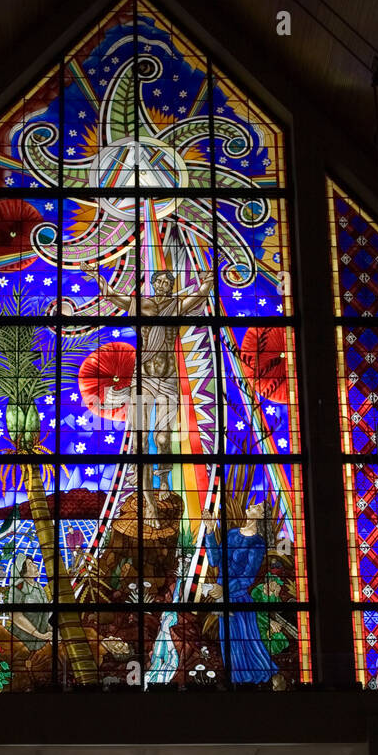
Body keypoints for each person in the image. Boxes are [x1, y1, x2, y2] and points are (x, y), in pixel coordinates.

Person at [85, 263, 213, 527]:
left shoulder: (175, 305)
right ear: (154, 284)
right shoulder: (141, 306)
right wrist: (98, 277)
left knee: (164, 436)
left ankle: (163, 476)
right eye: (162, 282)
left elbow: (200, 295)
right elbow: (111, 296)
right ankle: (149, 504)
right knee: (140, 444)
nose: (165, 286)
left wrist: (208, 281)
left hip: (167, 379)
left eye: (169, 282)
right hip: (143, 379)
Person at [200, 501, 280, 685]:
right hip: (221, 595)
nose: (252, 506)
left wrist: (225, 588)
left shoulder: (258, 543)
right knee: (229, 642)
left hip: (238, 598)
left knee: (245, 642)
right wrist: (210, 531)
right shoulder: (232, 533)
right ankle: (236, 681)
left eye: (257, 507)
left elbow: (248, 578)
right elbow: (214, 561)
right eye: (254, 505)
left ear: (261, 516)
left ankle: (252, 681)